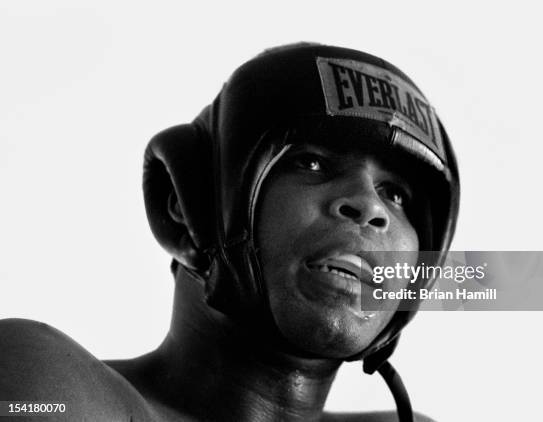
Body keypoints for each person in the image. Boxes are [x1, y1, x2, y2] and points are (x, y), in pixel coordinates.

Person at [0, 43, 459, 421]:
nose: (371, 207)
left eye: (397, 194)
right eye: (311, 163)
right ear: (185, 207)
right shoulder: (50, 388)